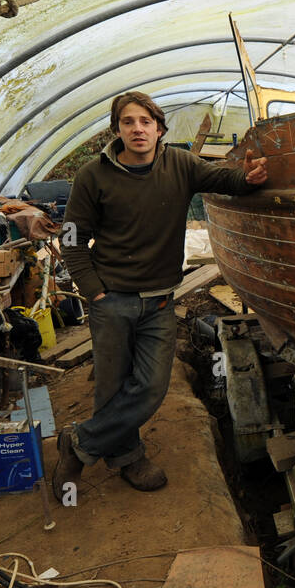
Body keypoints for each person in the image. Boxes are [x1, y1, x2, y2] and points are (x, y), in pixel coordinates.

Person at [54, 91, 267, 502]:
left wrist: (251, 177)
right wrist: (93, 291)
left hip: (160, 300)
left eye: (146, 121)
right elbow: (72, 237)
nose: (138, 129)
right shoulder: (92, 175)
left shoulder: (180, 164)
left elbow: (224, 179)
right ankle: (129, 458)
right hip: (111, 299)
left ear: (159, 128)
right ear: (116, 129)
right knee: (112, 388)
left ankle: (79, 443)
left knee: (150, 387)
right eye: (129, 122)